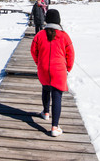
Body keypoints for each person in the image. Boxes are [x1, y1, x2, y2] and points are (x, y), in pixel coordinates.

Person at [30, 9, 74, 137]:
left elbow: (33, 50)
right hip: (59, 70)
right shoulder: (64, 35)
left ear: (46, 20)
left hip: (43, 69)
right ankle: (55, 127)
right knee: (57, 95)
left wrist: (39, 63)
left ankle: (45, 113)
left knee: (45, 88)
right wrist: (69, 67)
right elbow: (70, 53)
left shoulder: (39, 35)